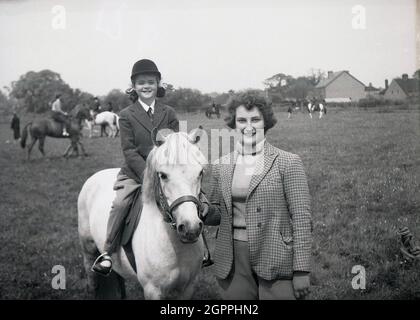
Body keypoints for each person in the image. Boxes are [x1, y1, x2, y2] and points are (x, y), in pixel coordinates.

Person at [91, 59, 212, 275]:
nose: (146, 86)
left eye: (150, 82)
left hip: (170, 172)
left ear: (158, 84)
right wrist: (149, 174)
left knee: (193, 199)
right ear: (134, 87)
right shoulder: (126, 115)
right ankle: (108, 252)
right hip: (137, 173)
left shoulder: (169, 113)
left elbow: (178, 145)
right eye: (141, 83)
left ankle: (203, 249)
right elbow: (129, 151)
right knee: (120, 203)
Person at [204, 91, 312, 300]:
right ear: (234, 124)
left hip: (276, 258)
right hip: (233, 262)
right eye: (242, 120)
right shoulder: (221, 165)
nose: (248, 126)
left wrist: (301, 271)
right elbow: (218, 214)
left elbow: (301, 220)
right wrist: (205, 209)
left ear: (266, 122)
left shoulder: (288, 162)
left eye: (255, 119)